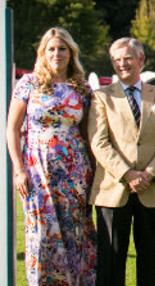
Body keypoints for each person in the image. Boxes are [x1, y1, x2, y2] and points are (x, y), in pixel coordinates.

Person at [6, 27, 97, 285]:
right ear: (43, 53)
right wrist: (18, 170)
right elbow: (12, 129)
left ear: (71, 52)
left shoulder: (82, 88)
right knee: (41, 232)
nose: (57, 53)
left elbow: (87, 134)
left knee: (75, 231)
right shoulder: (29, 83)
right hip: (37, 171)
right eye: (51, 49)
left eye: (62, 48)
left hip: (75, 172)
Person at [89, 37, 155, 285]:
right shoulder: (101, 97)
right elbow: (99, 142)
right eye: (116, 60)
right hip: (113, 189)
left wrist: (148, 174)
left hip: (153, 187)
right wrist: (128, 174)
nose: (122, 64)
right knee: (110, 260)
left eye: (127, 58)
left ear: (140, 59)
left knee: (151, 261)